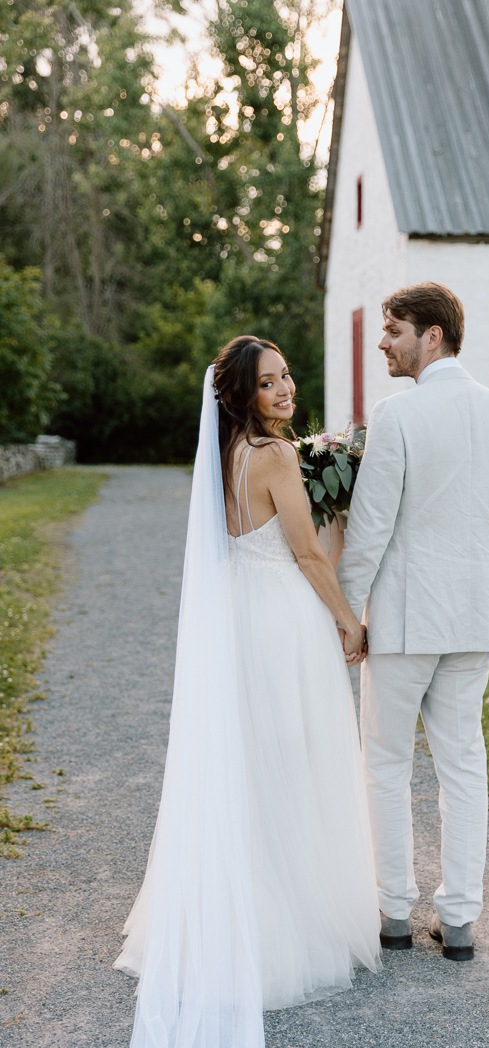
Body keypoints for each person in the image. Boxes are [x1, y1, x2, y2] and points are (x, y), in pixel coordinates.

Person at [115, 336, 381, 1047]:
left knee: (251, 764)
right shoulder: (273, 456)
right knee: (295, 763)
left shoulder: (226, 460)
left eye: (287, 376)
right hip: (283, 623)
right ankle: (285, 922)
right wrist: (349, 618)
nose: (285, 389)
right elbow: (302, 553)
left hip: (238, 620)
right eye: (269, 383)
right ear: (241, 396)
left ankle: (227, 908)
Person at [337, 283, 489, 962]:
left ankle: (393, 911)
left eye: (393, 330)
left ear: (433, 336)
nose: (384, 343)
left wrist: (347, 613)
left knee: (385, 763)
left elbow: (370, 526)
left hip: (404, 619)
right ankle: (459, 921)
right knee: (462, 765)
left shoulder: (398, 416)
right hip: (475, 620)